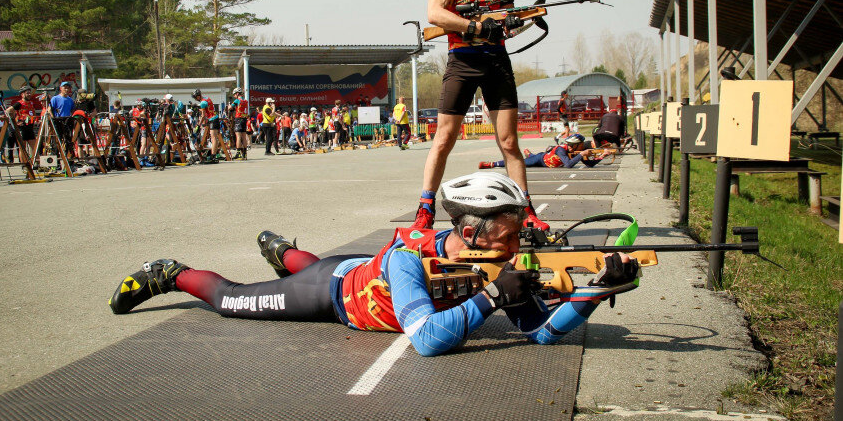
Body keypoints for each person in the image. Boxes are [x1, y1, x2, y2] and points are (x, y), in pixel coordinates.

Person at [108, 172, 641, 356]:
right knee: (232, 301)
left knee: (308, 263)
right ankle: (170, 272)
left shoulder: (496, 261)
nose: (518, 237)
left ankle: (282, 250)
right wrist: (493, 297)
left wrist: (598, 289)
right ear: (471, 230)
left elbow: (543, 333)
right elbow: (427, 341)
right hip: (332, 293)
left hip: (358, 269)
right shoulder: (411, 260)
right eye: (508, 227)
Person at [412, 0, 547, 233]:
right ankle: (425, 208)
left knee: (509, 142)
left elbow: (506, 26)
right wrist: (473, 26)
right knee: (444, 138)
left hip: (496, 61)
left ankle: (526, 210)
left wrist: (517, 23)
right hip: (462, 61)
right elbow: (434, 13)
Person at [480, 134, 612, 169]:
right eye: (581, 145)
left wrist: (602, 156)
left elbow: (590, 164)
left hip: (545, 160)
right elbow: (568, 165)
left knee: (529, 158)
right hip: (541, 159)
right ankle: (493, 164)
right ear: (576, 145)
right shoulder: (561, 150)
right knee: (520, 163)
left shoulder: (576, 153)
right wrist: (582, 154)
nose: (582, 148)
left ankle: (530, 154)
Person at [4, 84, 39, 164]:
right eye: (27, 93)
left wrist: (35, 119)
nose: (29, 94)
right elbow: (8, 111)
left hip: (30, 128)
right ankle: (24, 164)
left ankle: (36, 163)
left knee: (34, 147)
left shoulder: (31, 103)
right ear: (22, 94)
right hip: (22, 128)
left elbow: (32, 113)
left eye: (30, 93)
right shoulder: (19, 103)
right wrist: (15, 122)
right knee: (22, 148)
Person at [192, 89, 221, 160]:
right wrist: (199, 108)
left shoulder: (202, 103)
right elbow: (208, 108)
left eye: (195, 98)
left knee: (213, 138)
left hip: (212, 119)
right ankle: (214, 154)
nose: (195, 99)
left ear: (198, 96)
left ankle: (213, 155)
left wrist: (198, 125)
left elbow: (203, 116)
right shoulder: (207, 98)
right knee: (215, 138)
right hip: (215, 118)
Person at [228, 88, 249, 160]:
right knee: (244, 136)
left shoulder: (237, 100)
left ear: (237, 94)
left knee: (238, 136)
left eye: (234, 94)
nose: (234, 96)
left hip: (238, 118)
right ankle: (245, 154)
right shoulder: (245, 101)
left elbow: (230, 108)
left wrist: (230, 105)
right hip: (244, 118)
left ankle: (238, 153)